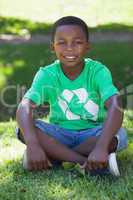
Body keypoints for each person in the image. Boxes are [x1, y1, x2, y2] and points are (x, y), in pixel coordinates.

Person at [16, 16, 127, 176]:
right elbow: (24, 106)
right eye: (62, 42)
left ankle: (55, 156)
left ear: (87, 46)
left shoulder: (98, 72)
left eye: (78, 42)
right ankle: (82, 162)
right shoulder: (47, 74)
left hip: (93, 133)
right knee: (23, 129)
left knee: (118, 135)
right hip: (60, 133)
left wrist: (102, 146)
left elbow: (115, 105)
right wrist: (33, 144)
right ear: (52, 46)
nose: (70, 48)